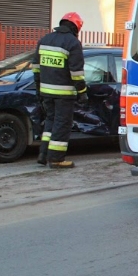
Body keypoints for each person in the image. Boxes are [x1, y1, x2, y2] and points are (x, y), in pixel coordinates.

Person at [34, 12, 87, 168]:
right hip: (64, 95)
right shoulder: (73, 43)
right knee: (62, 124)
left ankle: (43, 154)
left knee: (50, 122)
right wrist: (82, 92)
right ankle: (56, 159)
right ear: (76, 26)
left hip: (46, 92)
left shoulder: (44, 40)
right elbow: (76, 73)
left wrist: (39, 89)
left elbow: (36, 68)